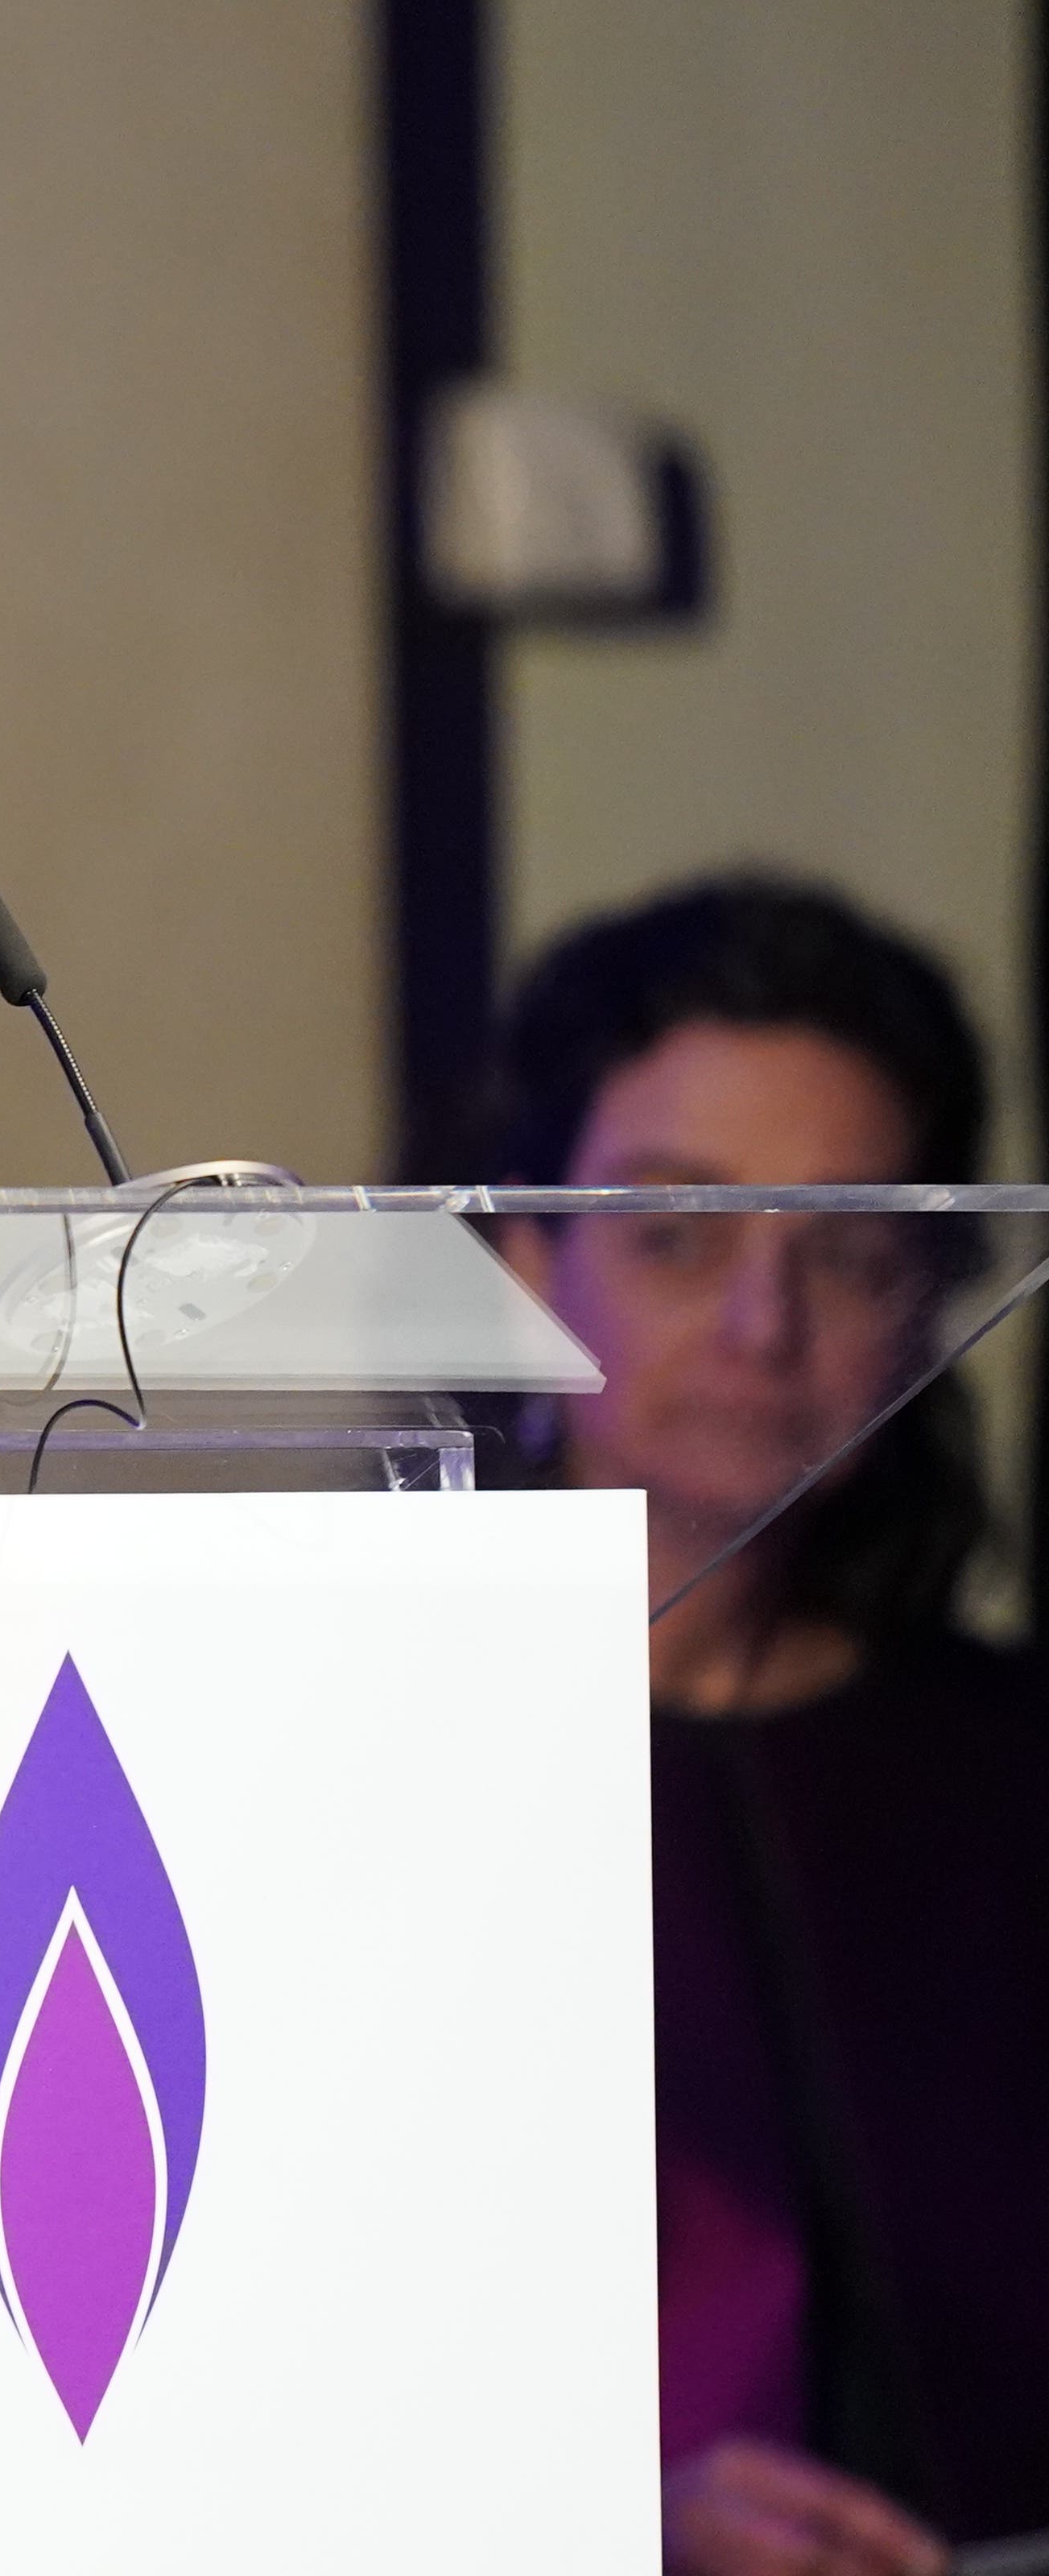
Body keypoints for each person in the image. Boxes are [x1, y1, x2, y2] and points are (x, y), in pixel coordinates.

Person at [485, 876, 1047, 2576]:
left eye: (849, 1250)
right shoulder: (368, 1764)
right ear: (525, 1257)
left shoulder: (1013, 1768)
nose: (762, 1323)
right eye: (679, 1232)